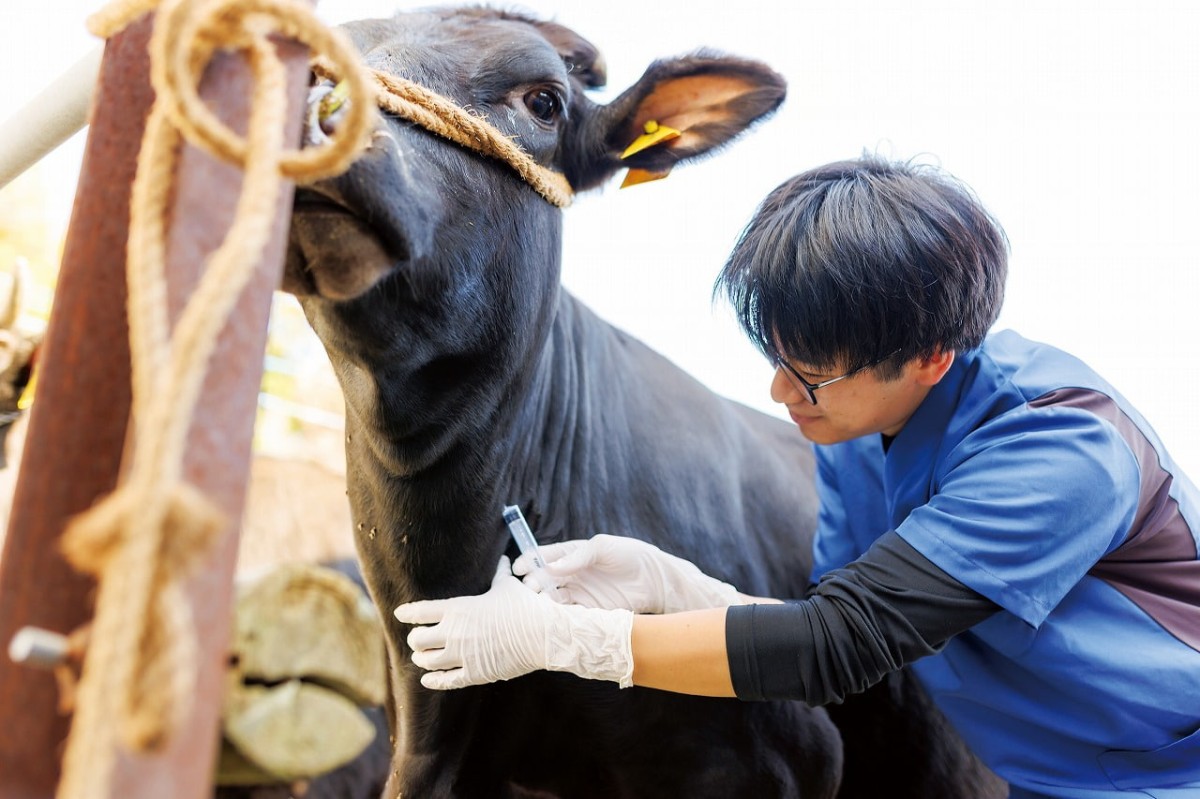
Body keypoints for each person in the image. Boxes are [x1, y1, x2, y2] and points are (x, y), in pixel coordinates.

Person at [394, 155, 1200, 798]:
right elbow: (838, 630)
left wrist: (571, 643)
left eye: (809, 375)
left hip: (1165, 773)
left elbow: (837, 649)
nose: (781, 394)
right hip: (1052, 773)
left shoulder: (1059, 453)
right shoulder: (857, 428)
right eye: (777, 358)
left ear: (930, 358)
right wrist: (671, 585)